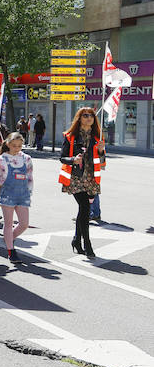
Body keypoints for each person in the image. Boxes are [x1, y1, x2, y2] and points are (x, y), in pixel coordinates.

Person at [59, 107, 105, 259]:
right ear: (79, 118)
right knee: (85, 207)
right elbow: (62, 157)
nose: (89, 118)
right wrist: (73, 160)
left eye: (91, 115)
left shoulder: (98, 138)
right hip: (76, 178)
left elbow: (102, 163)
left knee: (83, 210)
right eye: (85, 115)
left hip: (91, 178)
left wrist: (101, 152)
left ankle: (76, 241)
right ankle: (87, 244)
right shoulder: (70, 136)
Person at [0, 132, 33, 264]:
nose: (17, 148)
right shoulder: (2, 159)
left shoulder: (27, 158)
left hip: (23, 195)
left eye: (19, 146)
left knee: (24, 224)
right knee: (8, 223)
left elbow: (30, 178)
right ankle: (11, 250)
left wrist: (29, 193)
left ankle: (9, 238)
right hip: (8, 194)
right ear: (8, 144)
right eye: (14, 146)